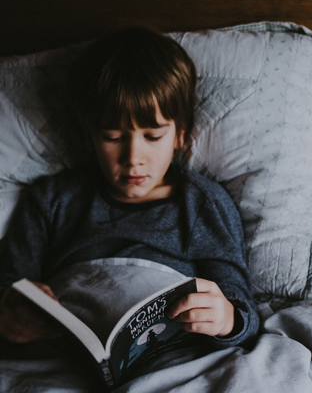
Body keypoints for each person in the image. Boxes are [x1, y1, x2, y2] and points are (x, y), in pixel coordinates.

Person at [0, 27, 259, 352]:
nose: (133, 158)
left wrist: (227, 319)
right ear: (89, 136)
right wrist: (12, 315)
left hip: (172, 354)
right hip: (68, 354)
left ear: (180, 135)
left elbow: (240, 304)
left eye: (153, 137)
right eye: (113, 137)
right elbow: (12, 286)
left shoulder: (202, 204)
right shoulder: (52, 200)